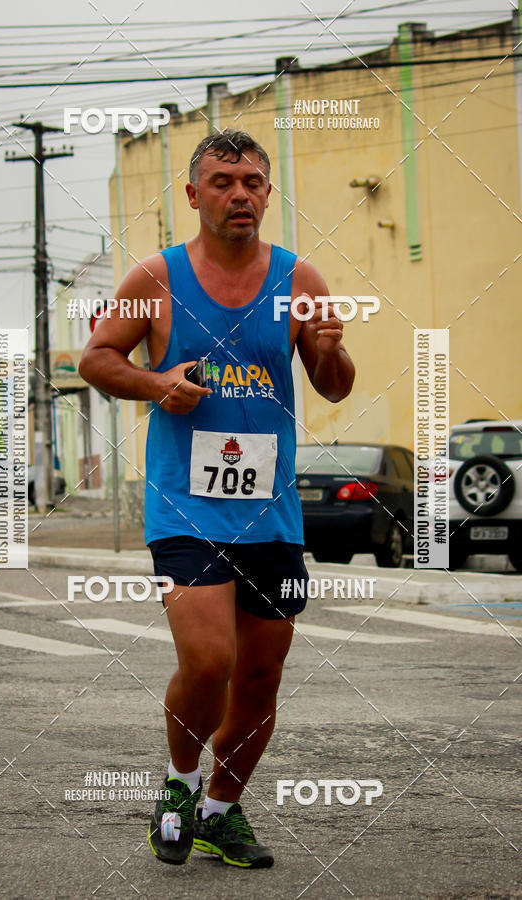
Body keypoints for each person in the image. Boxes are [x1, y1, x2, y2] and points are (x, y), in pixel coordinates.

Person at [78, 129, 355, 869]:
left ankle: (222, 812)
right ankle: (178, 787)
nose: (241, 193)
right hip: (185, 506)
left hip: (272, 510)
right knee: (209, 661)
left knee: (262, 677)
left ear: (268, 193)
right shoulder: (155, 278)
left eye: (254, 182)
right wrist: (156, 383)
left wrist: (329, 350)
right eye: (224, 181)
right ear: (194, 194)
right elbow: (97, 358)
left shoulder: (301, 280)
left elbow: (332, 385)